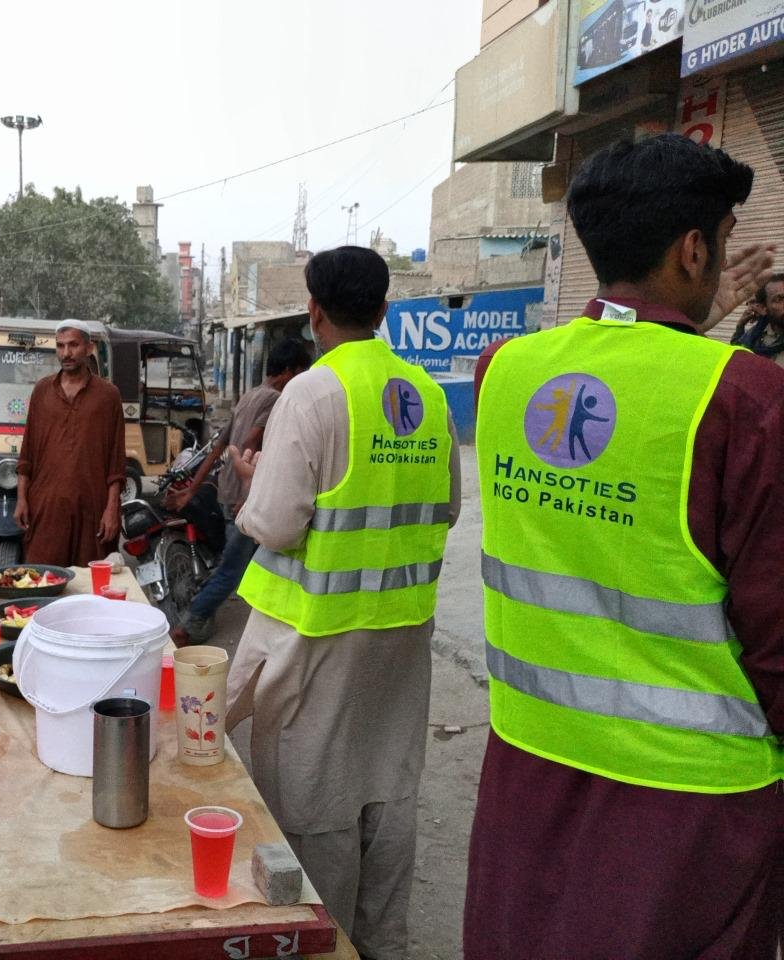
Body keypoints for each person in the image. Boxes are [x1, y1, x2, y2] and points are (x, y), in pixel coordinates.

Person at [465, 134, 783, 958]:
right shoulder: (748, 399)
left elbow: (619, 365)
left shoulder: (504, 372)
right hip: (693, 811)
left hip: (531, 770)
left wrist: (684, 324)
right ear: (693, 249)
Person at [225, 246, 461, 958]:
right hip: (400, 647)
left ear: (315, 310)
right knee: (388, 801)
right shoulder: (426, 393)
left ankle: (327, 947)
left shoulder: (314, 393)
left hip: (317, 645)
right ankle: (383, 947)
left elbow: (272, 523)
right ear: (386, 310)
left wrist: (254, 473)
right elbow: (446, 505)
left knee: (316, 812)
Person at [166, 336, 313, 645]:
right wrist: (249, 497)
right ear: (288, 371)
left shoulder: (249, 396)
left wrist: (193, 489)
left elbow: (219, 445)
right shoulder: (275, 400)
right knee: (231, 571)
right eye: (301, 372)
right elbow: (247, 446)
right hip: (245, 498)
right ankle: (188, 626)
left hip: (227, 493)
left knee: (236, 563)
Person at [14, 319, 126, 567]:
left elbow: (116, 462)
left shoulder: (108, 396)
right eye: (60, 346)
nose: (66, 353)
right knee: (43, 581)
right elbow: (27, 453)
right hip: (46, 508)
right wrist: (22, 498)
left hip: (92, 508)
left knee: (90, 588)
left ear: (88, 347)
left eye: (73, 345)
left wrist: (111, 509)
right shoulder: (42, 391)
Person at [731, 272, 784, 364]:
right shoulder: (756, 335)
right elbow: (738, 353)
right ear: (763, 308)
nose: (752, 307)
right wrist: (740, 326)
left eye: (753, 302)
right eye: (779, 299)